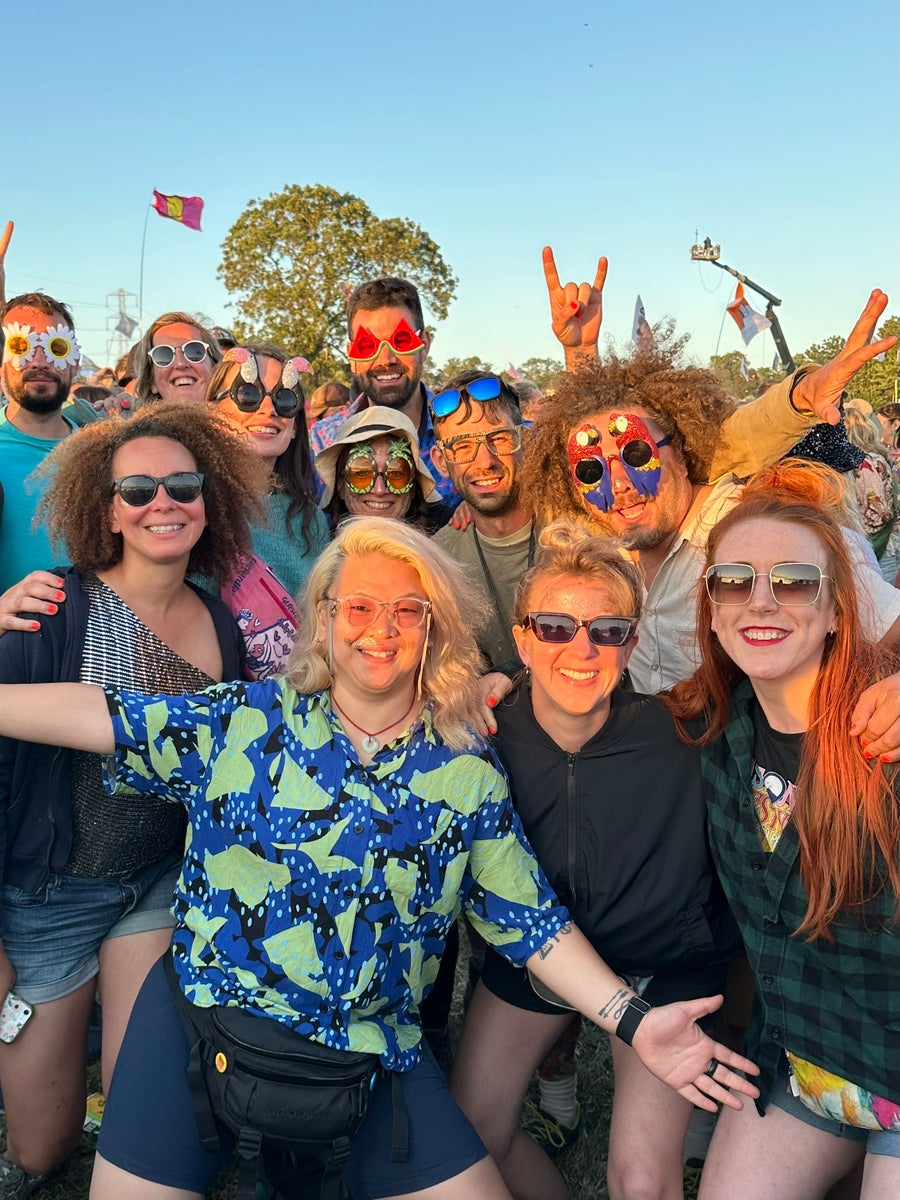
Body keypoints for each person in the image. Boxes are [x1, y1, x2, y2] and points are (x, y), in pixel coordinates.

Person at [0, 518, 758, 1200]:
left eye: (407, 610)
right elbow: (105, 715)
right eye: (358, 607)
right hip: (201, 1028)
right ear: (323, 620)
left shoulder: (463, 773)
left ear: (434, 629)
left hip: (370, 1052)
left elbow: (532, 924)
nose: (381, 629)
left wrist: (630, 1020)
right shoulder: (243, 720)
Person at [0, 403, 259, 1196]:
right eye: (138, 488)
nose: (162, 503)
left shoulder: (222, 619)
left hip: (153, 885)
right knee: (41, 1152)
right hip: (45, 893)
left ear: (208, 500)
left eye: (182, 485)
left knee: (139, 1109)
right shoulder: (50, 608)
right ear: (107, 509)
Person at [451, 522, 742, 1200]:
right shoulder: (482, 740)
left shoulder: (682, 731)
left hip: (660, 963)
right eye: (554, 627)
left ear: (632, 643)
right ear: (521, 638)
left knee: (641, 1182)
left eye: (608, 630)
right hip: (539, 957)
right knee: (470, 1140)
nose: (582, 649)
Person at [664, 462, 900, 1200]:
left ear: (836, 610)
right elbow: (577, 701)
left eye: (794, 582)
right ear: (708, 607)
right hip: (809, 1060)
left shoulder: (886, 740)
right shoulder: (710, 730)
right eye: (734, 581)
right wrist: (496, 683)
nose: (760, 602)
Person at [520, 295, 900, 693]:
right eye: (591, 471)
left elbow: (890, 628)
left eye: (637, 454)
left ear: (682, 454)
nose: (619, 485)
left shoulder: (765, 531)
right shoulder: (608, 547)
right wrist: (579, 355)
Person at [309, 277, 459, 505]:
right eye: (367, 345)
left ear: (425, 345)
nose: (386, 359)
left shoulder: (461, 433)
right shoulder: (322, 441)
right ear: (351, 356)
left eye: (401, 341)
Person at [206, 343, 329, 599]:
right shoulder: (187, 503)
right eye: (248, 394)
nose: (268, 409)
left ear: (295, 427)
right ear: (212, 413)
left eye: (284, 399)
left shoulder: (311, 520)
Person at [431, 371, 535, 672]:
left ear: (523, 441)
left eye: (499, 439)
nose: (485, 461)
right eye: (462, 447)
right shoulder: (438, 562)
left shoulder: (572, 530)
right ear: (441, 462)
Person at [0, 291, 83, 591]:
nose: (38, 360)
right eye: (21, 345)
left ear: (73, 362)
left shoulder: (105, 452)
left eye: (55, 347)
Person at [316, 405, 453, 534]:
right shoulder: (316, 545)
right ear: (341, 487)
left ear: (413, 487)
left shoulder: (446, 532)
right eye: (362, 473)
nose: (380, 490)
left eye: (396, 473)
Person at [843, 404, 899, 579]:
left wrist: (849, 527)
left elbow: (877, 514)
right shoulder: (864, 460)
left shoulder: (866, 463)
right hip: (876, 545)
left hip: (880, 548)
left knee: (881, 602)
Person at [132, 311, 222, 407]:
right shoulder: (125, 420)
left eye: (194, 350)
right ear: (152, 383)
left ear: (214, 367)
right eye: (163, 355)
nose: (180, 363)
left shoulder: (238, 420)